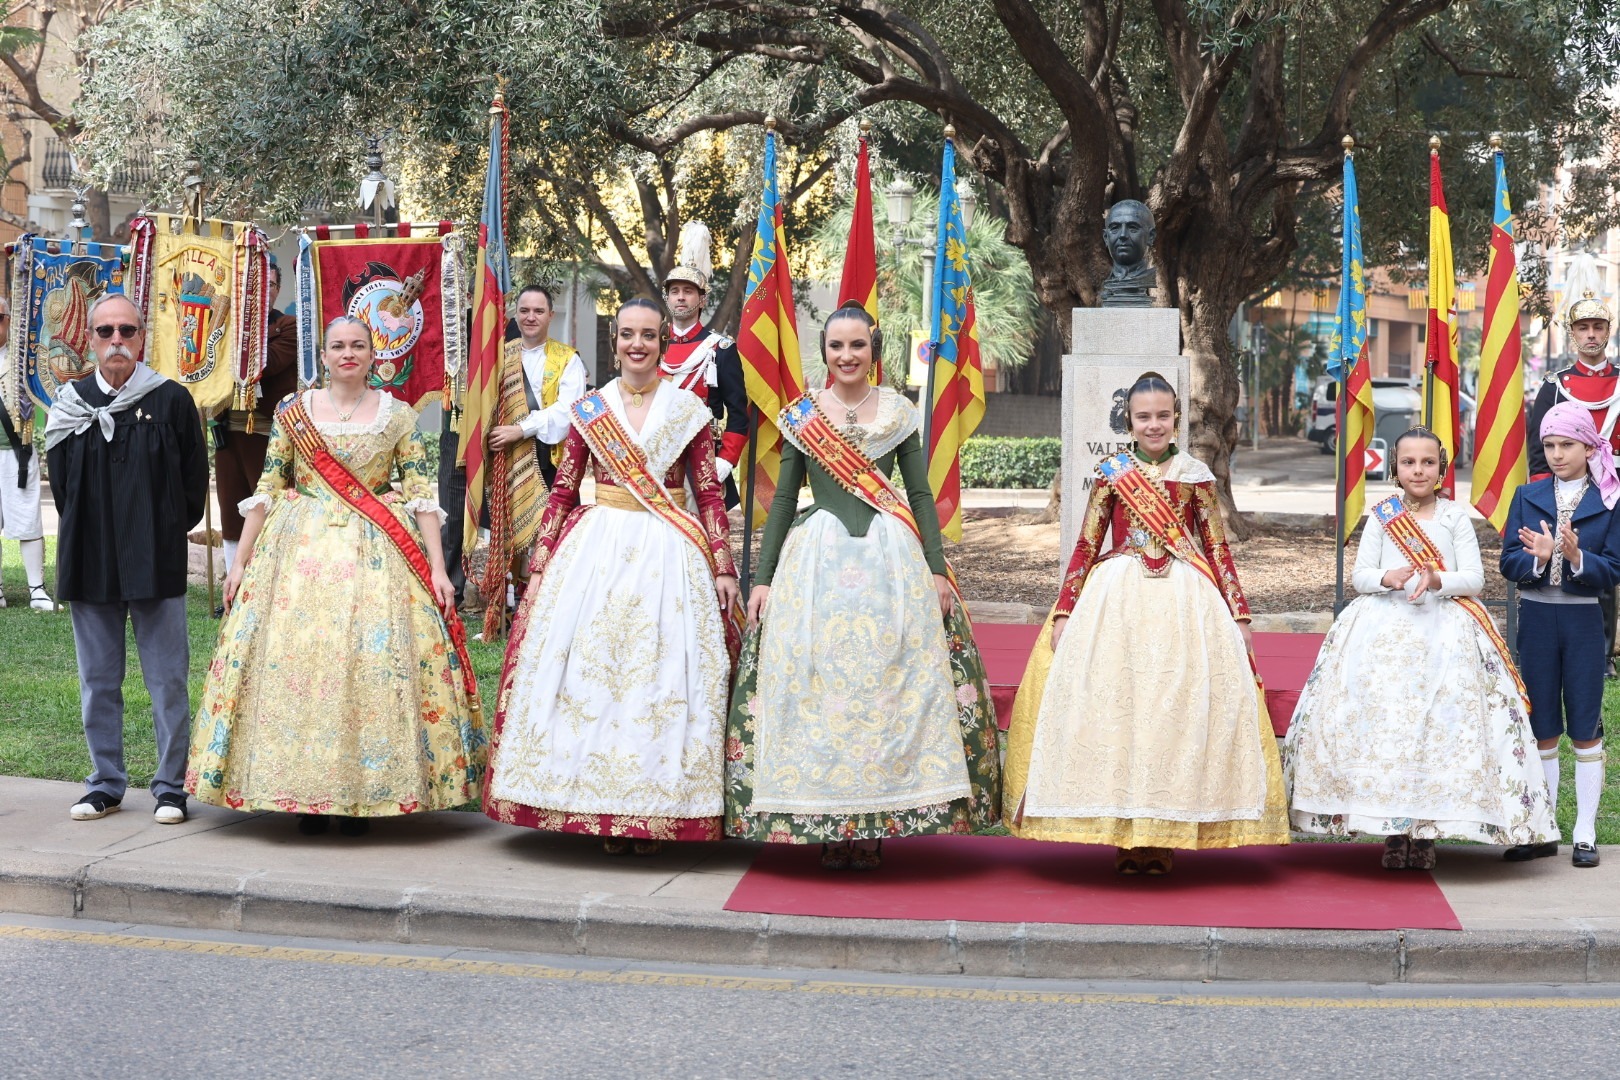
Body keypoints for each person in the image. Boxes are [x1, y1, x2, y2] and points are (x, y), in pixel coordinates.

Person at [185, 316, 485, 836]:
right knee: (303, 662)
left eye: (359, 346)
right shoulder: (295, 412)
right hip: (297, 556)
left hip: (378, 554)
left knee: (369, 663)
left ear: (374, 355)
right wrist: (239, 562)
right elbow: (270, 485)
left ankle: (363, 794)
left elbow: (418, 493)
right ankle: (305, 794)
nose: (348, 354)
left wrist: (438, 568)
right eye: (338, 346)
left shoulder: (396, 415)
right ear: (322, 356)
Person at [725, 305, 1000, 869]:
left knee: (884, 687)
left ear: (873, 350)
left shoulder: (899, 412)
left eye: (857, 346)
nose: (846, 356)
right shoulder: (803, 415)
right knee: (820, 686)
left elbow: (921, 496)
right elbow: (782, 499)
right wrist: (762, 578)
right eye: (835, 347)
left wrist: (936, 568)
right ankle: (826, 821)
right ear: (823, 352)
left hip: (890, 559)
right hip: (815, 563)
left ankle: (876, 823)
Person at [1002, 372, 1288, 874]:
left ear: (1176, 417)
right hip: (1117, 600)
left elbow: (1217, 548)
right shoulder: (1113, 473)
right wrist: (1066, 609)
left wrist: (1238, 614)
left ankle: (1163, 836)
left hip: (1186, 598)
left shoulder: (1196, 474)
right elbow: (1087, 545)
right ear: (1129, 421)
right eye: (1143, 417)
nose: (1153, 425)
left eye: (1162, 415)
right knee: (1123, 712)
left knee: (1171, 715)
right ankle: (1125, 835)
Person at [483, 298, 741, 854]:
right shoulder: (591, 408)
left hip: (669, 552)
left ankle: (653, 812)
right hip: (596, 548)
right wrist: (543, 555)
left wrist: (722, 565)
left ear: (661, 344)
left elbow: (709, 493)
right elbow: (562, 488)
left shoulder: (688, 411)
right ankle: (594, 803)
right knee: (592, 674)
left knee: (661, 675)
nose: (638, 345)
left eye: (648, 335)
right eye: (627, 335)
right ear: (615, 340)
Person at [1285, 427, 1555, 869]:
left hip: (1444, 632)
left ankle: (1426, 830)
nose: (1418, 470)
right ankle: (1393, 832)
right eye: (1409, 462)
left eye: (1427, 462)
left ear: (1442, 468)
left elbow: (1475, 578)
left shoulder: (1453, 518)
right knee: (1388, 729)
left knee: (1437, 730)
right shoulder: (1381, 517)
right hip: (1383, 635)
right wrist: (1387, 577)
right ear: (1394, 467)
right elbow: (1360, 576)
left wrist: (1436, 580)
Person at [45, 293, 208, 824]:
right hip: (90, 559)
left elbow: (192, 487)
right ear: (89, 339)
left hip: (156, 559)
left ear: (143, 337)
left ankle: (170, 787)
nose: (117, 341)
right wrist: (96, 532)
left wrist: (157, 529)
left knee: (168, 681)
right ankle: (105, 783)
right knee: (98, 680)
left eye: (127, 331)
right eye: (105, 331)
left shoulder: (171, 401)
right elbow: (64, 490)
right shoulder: (70, 404)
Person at [1500, 401, 1620, 868]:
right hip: (1536, 620)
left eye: (1566, 445)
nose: (1555, 454)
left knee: (1585, 727)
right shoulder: (1527, 495)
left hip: (1585, 621)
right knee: (1542, 725)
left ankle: (1584, 833)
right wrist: (1539, 557)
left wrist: (1574, 558)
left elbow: (1612, 569)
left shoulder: (1609, 499)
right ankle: (1543, 829)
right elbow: (1509, 562)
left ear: (1589, 446)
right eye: (1548, 445)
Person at [1527, 265, 1620, 673]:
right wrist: (1543, 491)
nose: (1591, 335)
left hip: (1616, 483)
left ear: (1608, 331)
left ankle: (1606, 652)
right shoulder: (1555, 383)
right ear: (1573, 333)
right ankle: (1590, 652)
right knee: (1580, 557)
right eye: (1583, 328)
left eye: (1598, 326)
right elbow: (1538, 444)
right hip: (1571, 485)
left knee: (1609, 563)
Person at [479, 285, 587, 630]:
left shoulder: (568, 359)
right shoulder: (499, 355)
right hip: (504, 457)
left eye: (538, 311)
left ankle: (548, 615)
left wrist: (521, 429)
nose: (530, 317)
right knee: (509, 537)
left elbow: (569, 414)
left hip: (549, 458)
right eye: (524, 310)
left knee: (550, 536)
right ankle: (508, 612)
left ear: (550, 316)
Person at [211, 257, 298, 611]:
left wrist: (232, 334)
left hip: (267, 435)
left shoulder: (289, 327)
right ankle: (235, 591)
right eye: (256, 287)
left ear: (278, 290)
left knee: (269, 513)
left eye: (271, 286)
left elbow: (267, 364)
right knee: (231, 516)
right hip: (227, 433)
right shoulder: (226, 324)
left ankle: (270, 591)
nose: (265, 293)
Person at [660, 221, 749, 504]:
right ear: (667, 297)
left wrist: (727, 460)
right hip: (656, 457)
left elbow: (738, 414)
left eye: (688, 291)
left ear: (702, 299)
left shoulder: (720, 349)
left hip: (703, 459)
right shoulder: (652, 346)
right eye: (675, 291)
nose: (681, 297)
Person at [0, 298, 52, 610]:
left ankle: (37, 591)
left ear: (7, 320)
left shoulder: (24, 359)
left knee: (28, 517)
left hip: (18, 450)